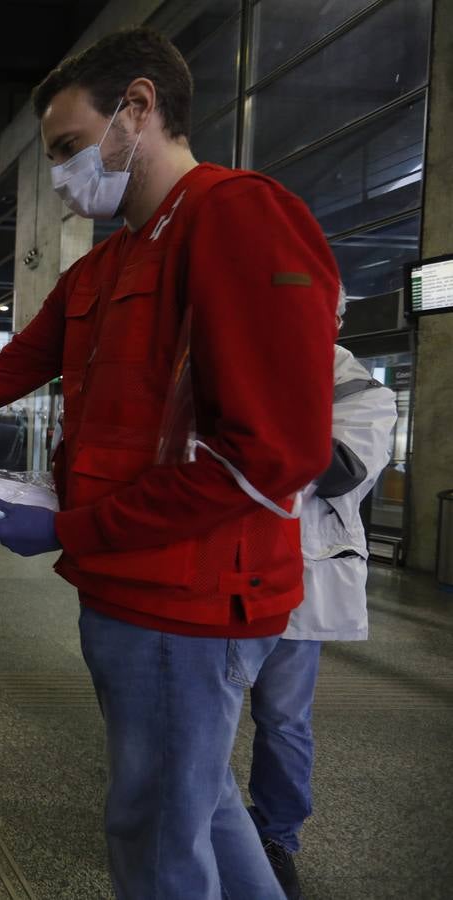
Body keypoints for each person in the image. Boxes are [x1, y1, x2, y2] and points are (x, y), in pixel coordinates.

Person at [0, 27, 338, 899]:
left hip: (187, 602)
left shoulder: (238, 217)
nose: (58, 176)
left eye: (70, 148)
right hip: (128, 588)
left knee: (156, 836)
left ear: (140, 109)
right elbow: (5, 373)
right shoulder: (108, 263)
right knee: (199, 811)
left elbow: (275, 454)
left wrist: (72, 525)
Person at [249, 293, 398, 900]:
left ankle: (277, 836)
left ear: (334, 321)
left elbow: (339, 469)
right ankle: (196, 822)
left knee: (282, 721)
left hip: (301, 580)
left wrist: (264, 400)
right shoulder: (239, 362)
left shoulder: (361, 390)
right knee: (193, 714)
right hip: (219, 572)